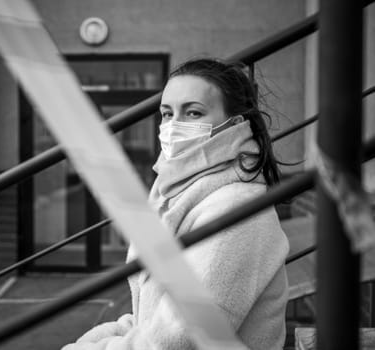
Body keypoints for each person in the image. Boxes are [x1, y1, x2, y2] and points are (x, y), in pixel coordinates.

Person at [62, 58, 289, 350]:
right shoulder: (176, 191)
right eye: (167, 114)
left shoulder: (237, 210)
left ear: (234, 125)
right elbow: (155, 317)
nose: (173, 126)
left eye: (193, 112)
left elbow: (180, 336)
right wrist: (104, 337)